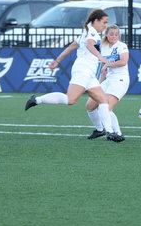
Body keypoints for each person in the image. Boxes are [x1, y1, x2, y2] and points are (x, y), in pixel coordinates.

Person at [24, 9, 124, 142]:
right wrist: (100, 57)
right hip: (83, 71)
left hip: (89, 73)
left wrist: (57, 61)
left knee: (103, 101)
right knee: (70, 100)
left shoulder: (87, 32)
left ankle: (109, 132)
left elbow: (71, 47)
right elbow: (89, 45)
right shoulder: (91, 32)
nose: (105, 25)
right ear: (96, 21)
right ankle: (36, 100)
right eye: (104, 22)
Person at [85, 24, 129, 140]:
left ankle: (117, 134)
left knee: (106, 108)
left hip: (120, 80)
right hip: (108, 79)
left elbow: (123, 62)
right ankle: (100, 130)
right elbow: (89, 45)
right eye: (111, 34)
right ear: (106, 35)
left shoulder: (121, 46)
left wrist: (107, 64)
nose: (114, 36)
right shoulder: (103, 46)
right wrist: (99, 84)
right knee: (90, 105)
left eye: (116, 34)